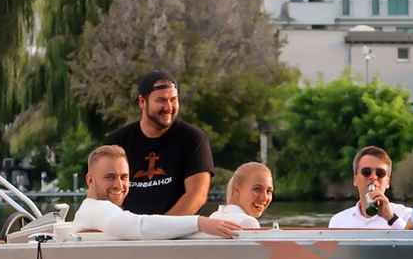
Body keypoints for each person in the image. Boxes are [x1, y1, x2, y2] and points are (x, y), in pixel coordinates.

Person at [72, 146, 239, 240]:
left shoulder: (91, 211)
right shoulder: (96, 209)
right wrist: (200, 222)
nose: (119, 185)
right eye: (110, 177)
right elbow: (140, 226)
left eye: (124, 177)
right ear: (90, 180)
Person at [107, 70, 214, 216]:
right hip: (128, 228)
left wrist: (162, 227)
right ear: (142, 102)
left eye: (173, 100)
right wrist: (129, 226)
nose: (169, 107)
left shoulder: (193, 139)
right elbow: (103, 192)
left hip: (177, 229)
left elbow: (197, 195)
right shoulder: (117, 142)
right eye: (161, 100)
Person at [328, 146, 412, 229]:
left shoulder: (407, 215)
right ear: (355, 180)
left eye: (380, 173)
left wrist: (391, 218)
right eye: (366, 172)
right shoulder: (338, 221)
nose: (373, 177)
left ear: (388, 182)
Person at [210, 162, 273, 229]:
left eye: (269, 191)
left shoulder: (213, 217)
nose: (264, 197)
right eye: (257, 189)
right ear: (236, 191)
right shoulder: (248, 222)